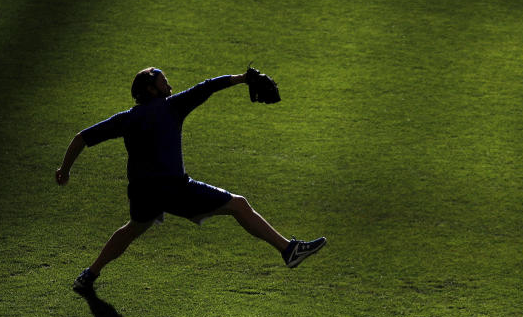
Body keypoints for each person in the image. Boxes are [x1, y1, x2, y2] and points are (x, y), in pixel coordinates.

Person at [56, 67, 326, 292]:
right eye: (163, 81)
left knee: (133, 229)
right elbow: (208, 86)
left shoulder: (126, 118)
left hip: (141, 192)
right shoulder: (172, 106)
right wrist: (244, 78)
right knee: (239, 204)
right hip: (173, 188)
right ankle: (288, 250)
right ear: (151, 90)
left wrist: (65, 171)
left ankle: (90, 274)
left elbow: (81, 138)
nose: (169, 84)